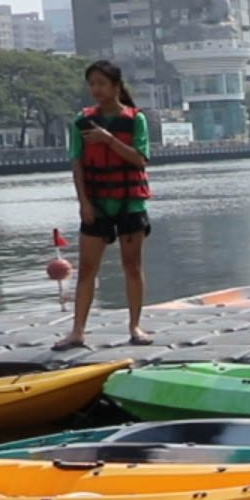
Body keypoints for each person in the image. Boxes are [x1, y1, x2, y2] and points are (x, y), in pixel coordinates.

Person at [54, 60, 153, 351]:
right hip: (96, 203)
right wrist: (84, 203)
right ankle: (77, 331)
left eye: (101, 83)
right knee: (87, 269)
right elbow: (77, 164)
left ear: (115, 86)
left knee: (132, 266)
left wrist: (108, 140)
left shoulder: (136, 119)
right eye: (92, 84)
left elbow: (139, 159)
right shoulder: (82, 121)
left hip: (130, 203)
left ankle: (135, 326)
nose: (96, 89)